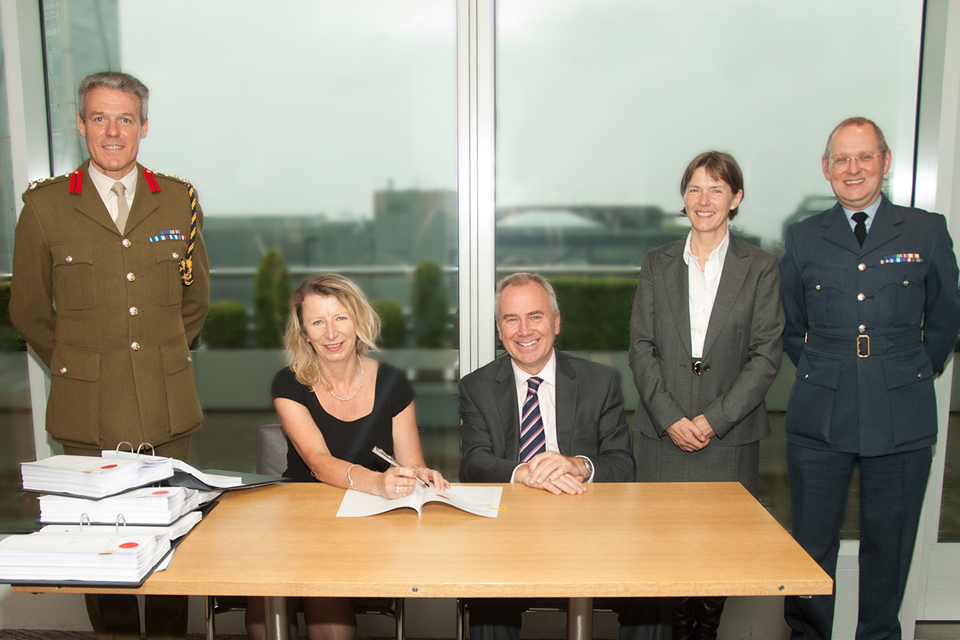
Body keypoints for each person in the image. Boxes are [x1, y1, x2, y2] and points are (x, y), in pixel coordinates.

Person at [9, 71, 208, 640]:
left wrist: (159, 355)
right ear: (81, 125)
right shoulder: (45, 207)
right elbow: (27, 309)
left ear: (144, 127)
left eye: (125, 119)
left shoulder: (177, 200)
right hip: (86, 412)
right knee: (96, 549)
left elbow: (194, 301)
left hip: (167, 407)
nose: (112, 131)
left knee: (171, 544)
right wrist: (78, 366)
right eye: (100, 118)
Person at [780, 117, 960, 640]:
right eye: (841, 159)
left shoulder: (925, 230)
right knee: (812, 546)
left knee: (891, 541)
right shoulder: (804, 237)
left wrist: (910, 371)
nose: (852, 169)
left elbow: (946, 317)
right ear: (826, 168)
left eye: (863, 157)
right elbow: (792, 325)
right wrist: (825, 369)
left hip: (900, 410)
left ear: (884, 161)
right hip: (822, 412)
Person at [459, 272, 668, 640]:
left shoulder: (599, 381)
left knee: (652, 591)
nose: (524, 330)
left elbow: (622, 463)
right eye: (511, 319)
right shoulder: (476, 387)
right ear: (499, 328)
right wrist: (523, 472)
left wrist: (578, 465)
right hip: (508, 532)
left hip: (592, 528)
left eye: (535, 316)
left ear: (556, 323)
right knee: (486, 595)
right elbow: (473, 462)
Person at [628, 151, 784, 640]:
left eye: (717, 189)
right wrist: (671, 416)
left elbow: (765, 356)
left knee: (719, 560)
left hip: (727, 439)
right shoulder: (657, 263)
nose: (704, 199)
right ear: (683, 197)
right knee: (664, 559)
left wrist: (715, 419)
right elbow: (641, 346)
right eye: (695, 189)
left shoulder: (760, 266)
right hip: (663, 437)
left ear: (735, 198)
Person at [246, 273, 449, 640]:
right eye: (317, 322)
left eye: (340, 318)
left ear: (358, 320)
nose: (331, 333)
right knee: (269, 592)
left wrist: (420, 475)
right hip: (303, 515)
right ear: (304, 333)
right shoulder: (289, 382)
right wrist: (377, 481)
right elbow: (317, 460)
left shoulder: (393, 381)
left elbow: (410, 462)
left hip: (367, 519)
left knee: (324, 588)